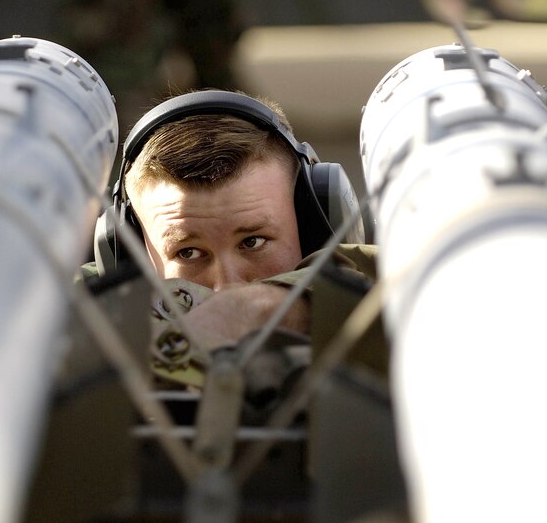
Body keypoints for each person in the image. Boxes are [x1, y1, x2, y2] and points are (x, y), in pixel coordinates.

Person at [91, 88, 375, 350]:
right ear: (132, 259)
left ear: (313, 224)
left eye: (253, 242)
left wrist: (288, 306)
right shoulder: (80, 318)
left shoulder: (388, 291)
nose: (226, 288)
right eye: (188, 253)